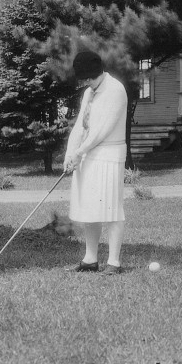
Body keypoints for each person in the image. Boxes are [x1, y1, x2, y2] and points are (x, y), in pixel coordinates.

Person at [63, 50, 129, 275]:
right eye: (84, 78)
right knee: (89, 208)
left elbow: (101, 130)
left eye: (89, 77)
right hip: (88, 155)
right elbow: (81, 125)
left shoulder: (115, 90)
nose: (87, 82)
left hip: (109, 154)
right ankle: (90, 260)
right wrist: (70, 153)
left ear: (98, 72)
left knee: (111, 210)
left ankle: (114, 263)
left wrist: (79, 152)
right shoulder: (89, 93)